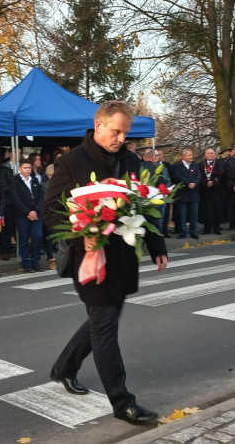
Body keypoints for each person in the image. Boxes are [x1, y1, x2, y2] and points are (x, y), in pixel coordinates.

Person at [43, 100, 168, 426]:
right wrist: (77, 235)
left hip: (123, 256)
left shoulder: (129, 159)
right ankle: (122, 402)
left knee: (104, 321)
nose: (121, 138)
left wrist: (156, 244)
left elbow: (142, 202)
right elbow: (51, 209)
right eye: (116, 131)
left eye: (125, 133)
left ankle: (64, 367)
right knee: (104, 325)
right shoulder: (70, 162)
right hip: (90, 258)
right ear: (98, 126)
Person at [9, 159, 44, 273]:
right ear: (20, 169)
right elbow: (16, 199)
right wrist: (28, 212)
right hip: (22, 215)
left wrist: (35, 211)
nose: (27, 170)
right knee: (24, 239)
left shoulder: (34, 180)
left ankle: (36, 262)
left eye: (29, 168)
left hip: (36, 214)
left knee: (37, 237)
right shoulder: (15, 181)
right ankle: (26, 263)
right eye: (25, 168)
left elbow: (40, 196)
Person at [170, 149, 203, 239]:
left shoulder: (195, 165)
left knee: (194, 215)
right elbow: (177, 177)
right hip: (182, 193)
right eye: (189, 155)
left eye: (191, 155)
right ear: (183, 156)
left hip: (194, 193)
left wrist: (194, 183)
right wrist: (188, 184)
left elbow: (198, 176)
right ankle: (182, 232)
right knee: (182, 215)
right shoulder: (177, 166)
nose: (191, 157)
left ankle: (193, 232)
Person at [200, 148, 224, 235]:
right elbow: (199, 176)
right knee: (206, 210)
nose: (210, 155)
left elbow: (221, 175)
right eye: (208, 153)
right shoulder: (201, 164)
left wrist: (213, 182)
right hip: (205, 191)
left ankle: (216, 228)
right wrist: (206, 182)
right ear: (205, 155)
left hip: (216, 190)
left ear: (215, 155)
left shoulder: (220, 164)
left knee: (216, 209)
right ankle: (207, 228)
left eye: (211, 153)